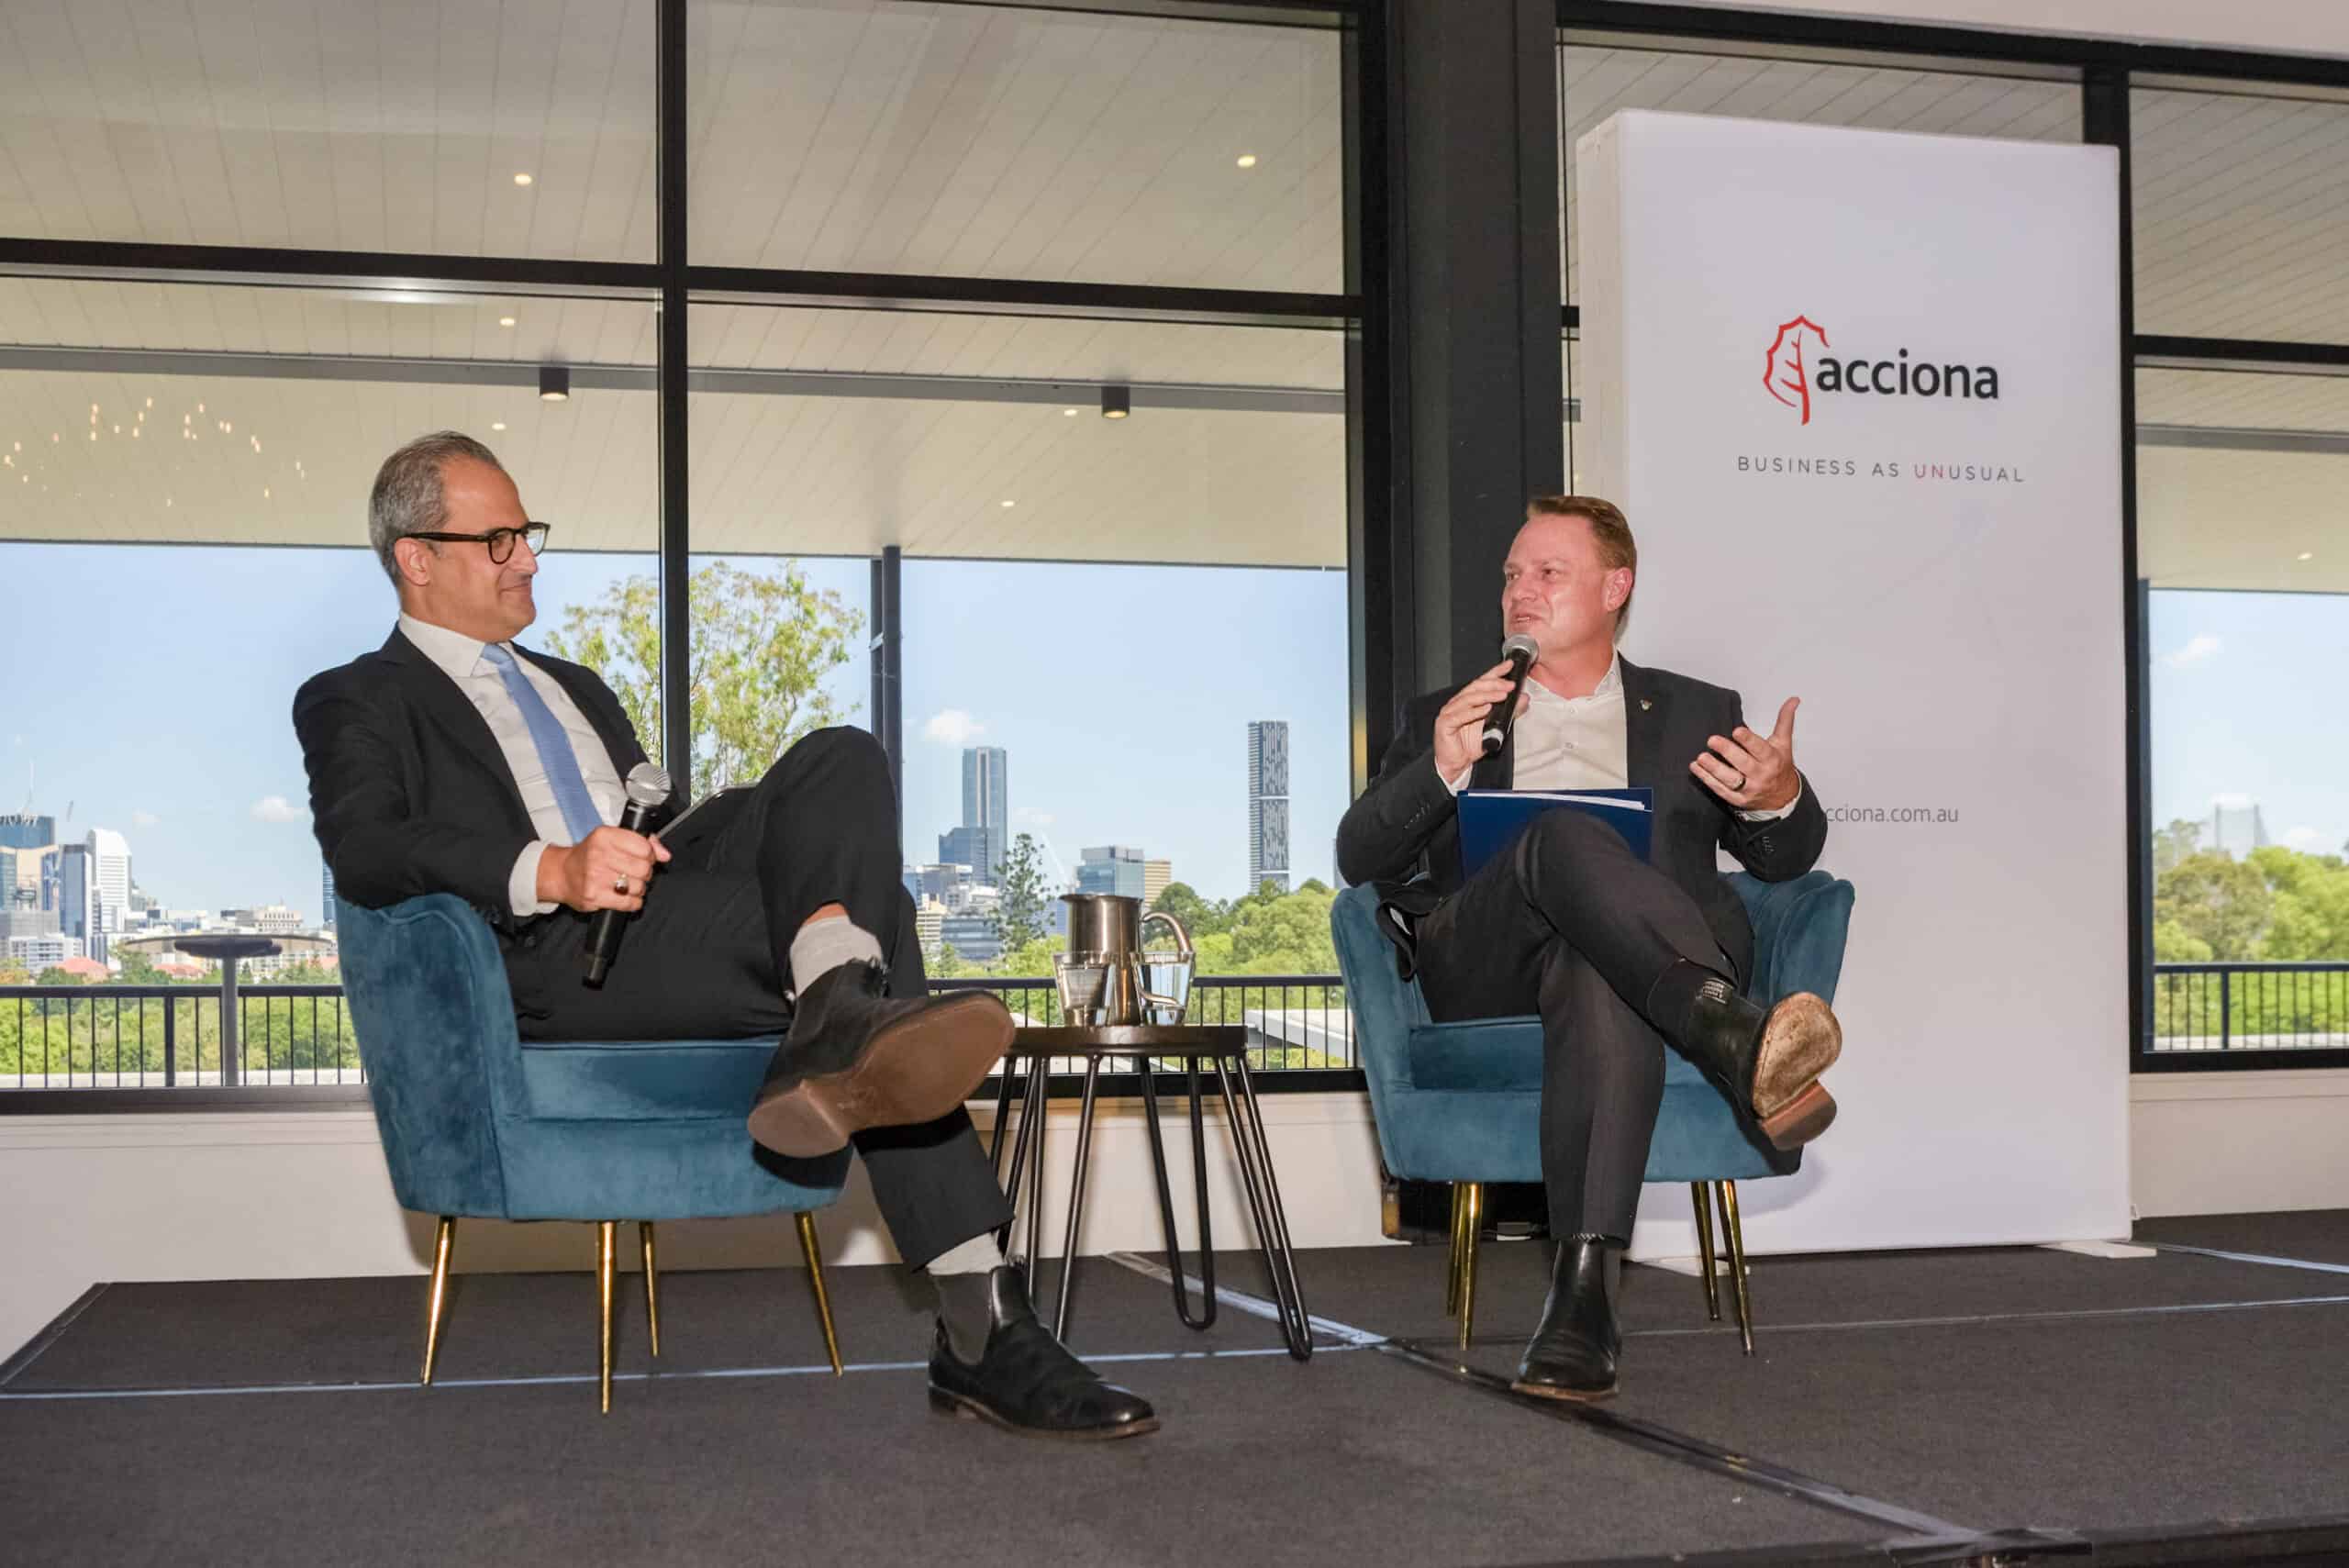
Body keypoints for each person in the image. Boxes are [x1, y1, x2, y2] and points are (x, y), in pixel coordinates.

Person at [295, 430, 1155, 1440]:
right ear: (416, 556)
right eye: (499, 540)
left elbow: (663, 824)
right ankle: (979, 1313)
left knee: (841, 756)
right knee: (877, 921)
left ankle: (837, 1005)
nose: (527, 557)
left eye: (529, 534)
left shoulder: (577, 684)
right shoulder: (358, 695)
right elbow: (367, 848)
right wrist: (553, 867)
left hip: (665, 913)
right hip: (554, 958)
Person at [1335, 494, 1841, 1402]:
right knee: (1564, 834)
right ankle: (1730, 1034)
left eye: (1547, 572)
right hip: (1486, 966)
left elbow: (1784, 862)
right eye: (1511, 575)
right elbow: (1359, 857)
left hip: (1631, 972)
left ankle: (1583, 1300)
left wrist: (1780, 796)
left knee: (1598, 967)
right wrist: (1440, 767)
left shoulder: (1695, 712)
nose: (1518, 590)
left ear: (1616, 587)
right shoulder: (1447, 714)